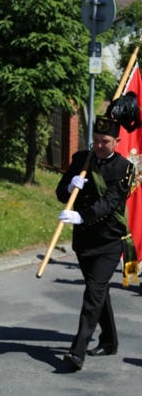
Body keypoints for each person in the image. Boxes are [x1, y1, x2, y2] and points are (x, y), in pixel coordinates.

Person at [56, 114, 136, 371]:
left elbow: (110, 202)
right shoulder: (81, 160)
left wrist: (80, 216)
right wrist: (70, 186)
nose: (100, 145)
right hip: (84, 240)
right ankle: (110, 340)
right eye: (97, 140)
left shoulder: (125, 168)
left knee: (93, 294)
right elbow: (60, 192)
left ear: (117, 141)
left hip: (109, 240)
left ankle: (77, 352)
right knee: (99, 292)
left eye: (106, 141)